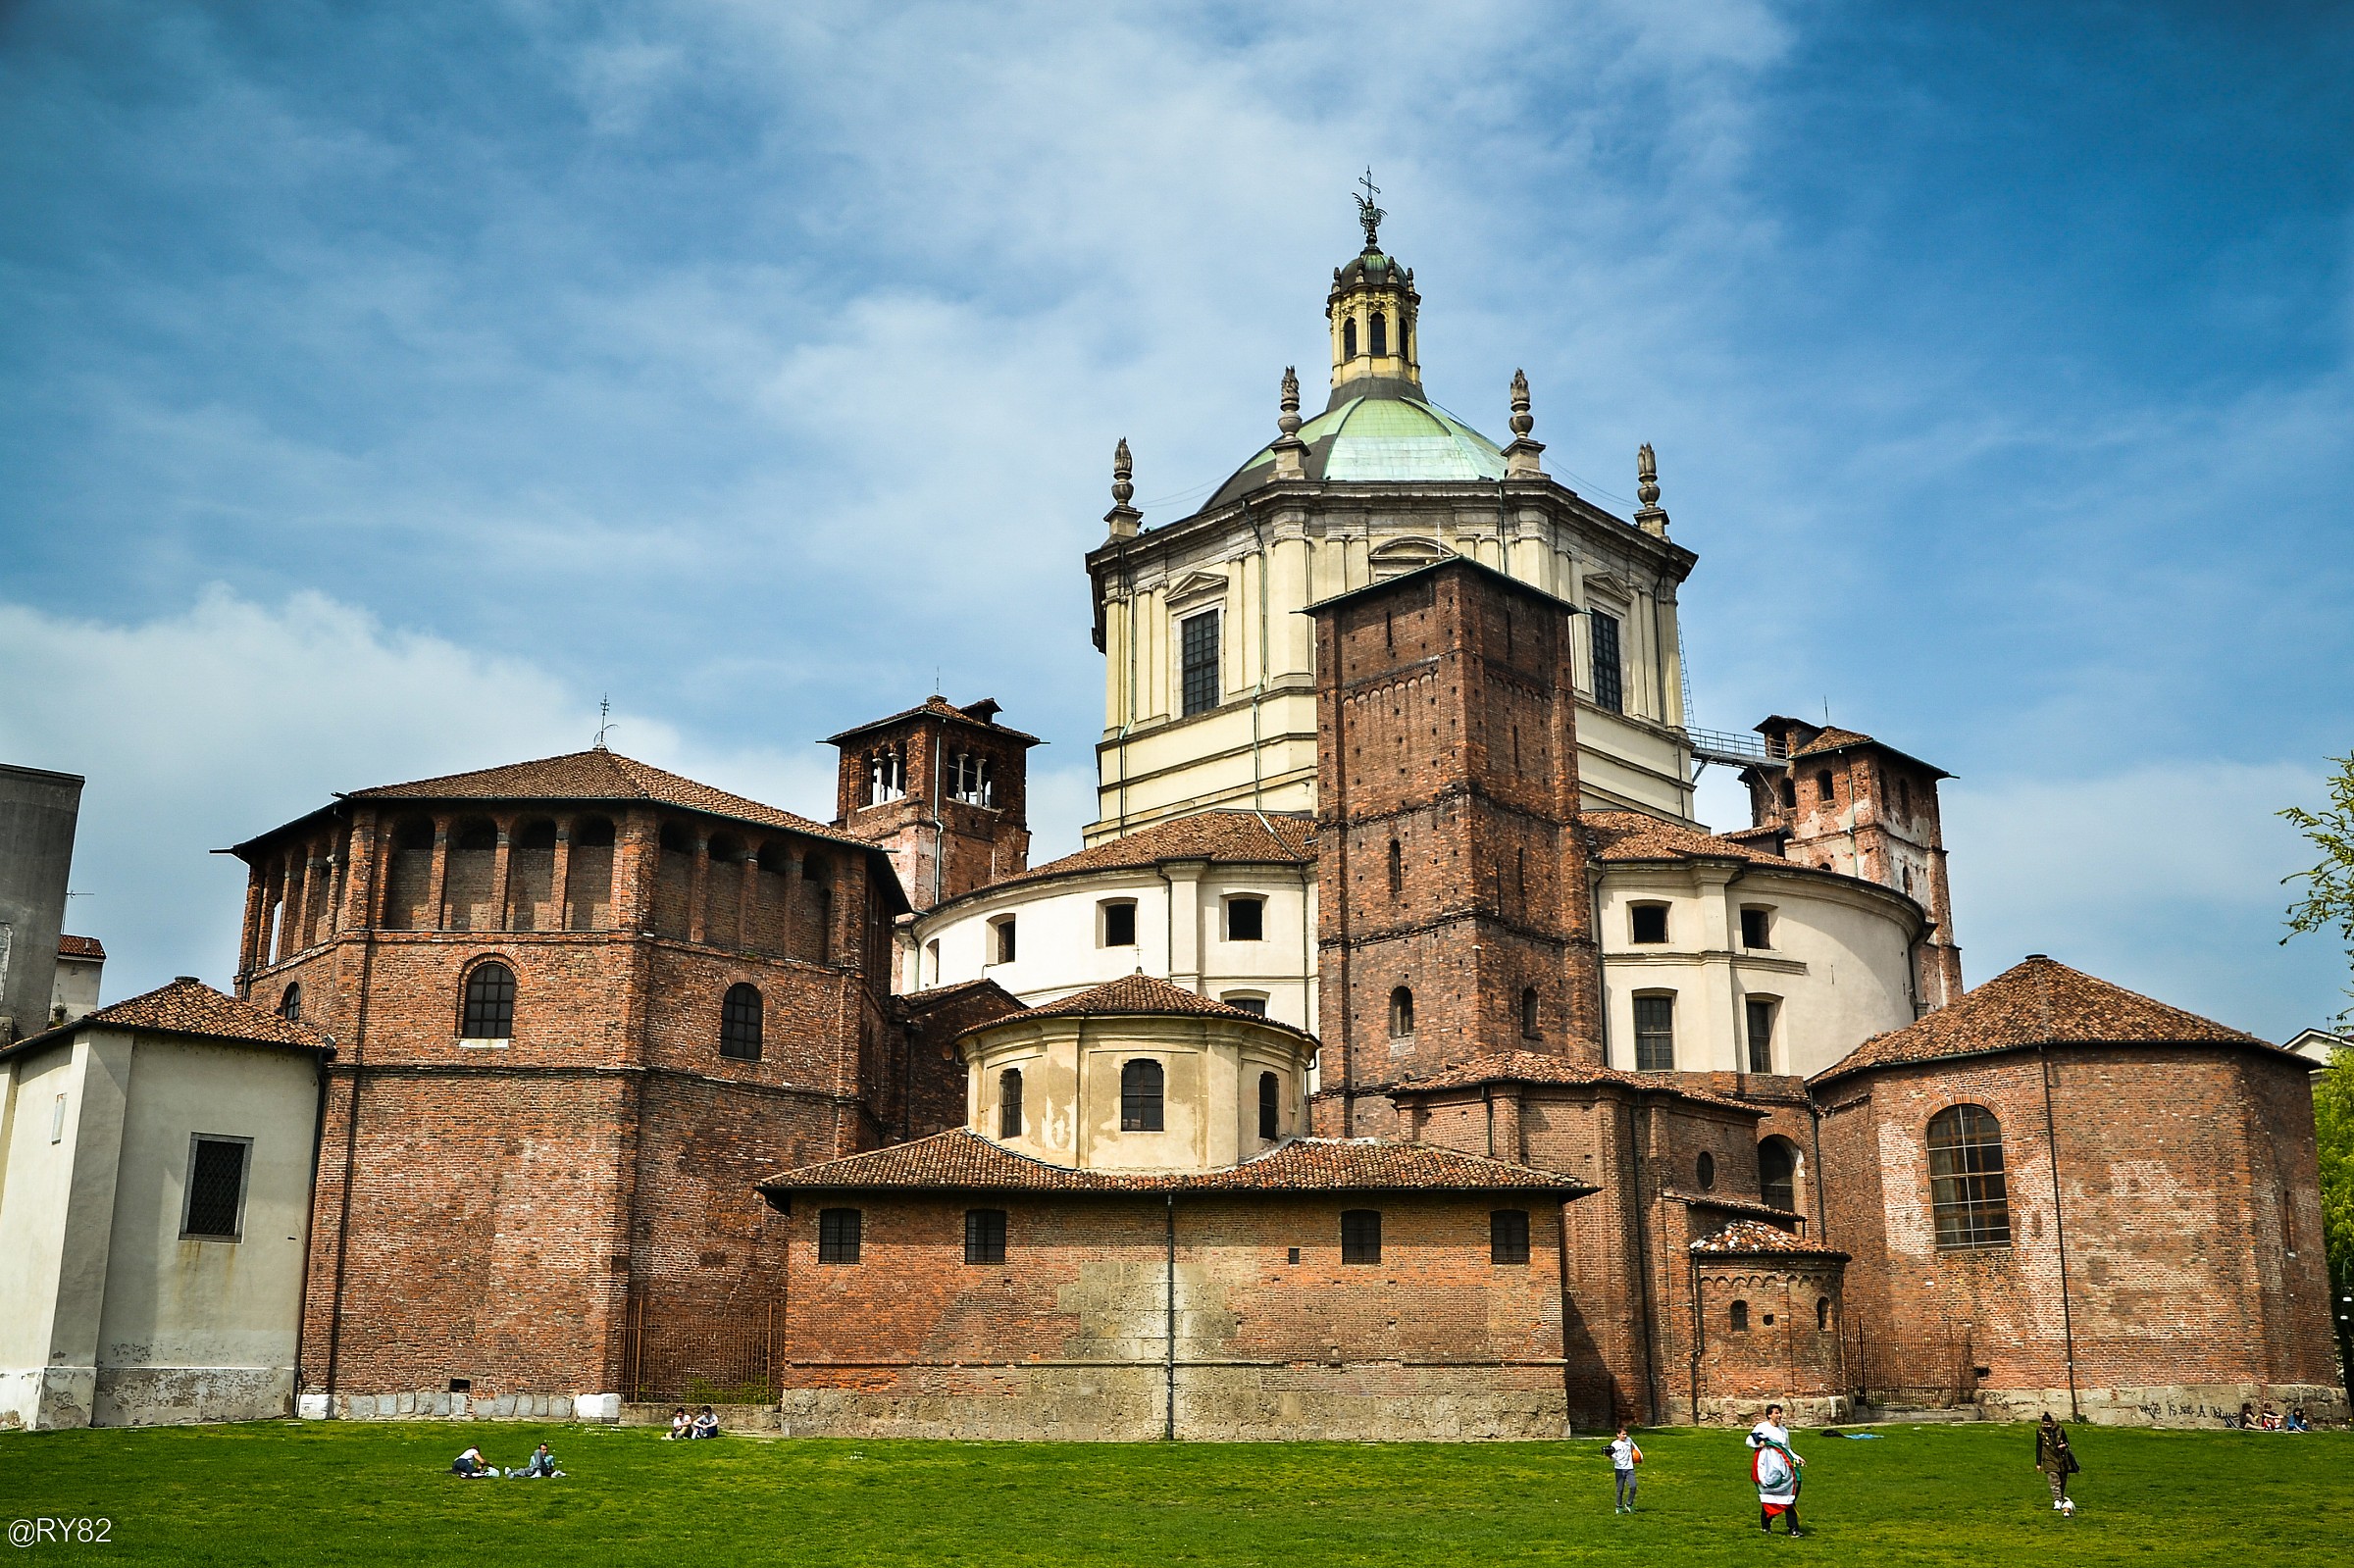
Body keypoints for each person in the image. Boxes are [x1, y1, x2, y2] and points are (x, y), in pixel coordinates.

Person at [1746, 1404, 1807, 1536]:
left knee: (1789, 1497)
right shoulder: (1762, 1427)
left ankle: (1793, 1528)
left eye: (1780, 1413)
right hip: (1768, 1467)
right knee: (1769, 1496)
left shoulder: (1783, 1430)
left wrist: (1797, 1458)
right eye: (1776, 1413)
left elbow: (1787, 1449)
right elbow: (1749, 1441)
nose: (1779, 1416)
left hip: (1783, 1467)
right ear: (1769, 1415)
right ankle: (1765, 1525)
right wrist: (1759, 1443)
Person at [2035, 1413, 2078, 1516]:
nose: (2046, 1426)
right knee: (2054, 1481)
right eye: (2044, 1424)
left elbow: (2067, 1442)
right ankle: (2057, 1501)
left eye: (2048, 1424)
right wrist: (2038, 1463)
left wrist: (2063, 1445)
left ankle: (2061, 1498)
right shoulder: (2040, 1432)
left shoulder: (2060, 1429)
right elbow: (2038, 1447)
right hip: (2049, 1459)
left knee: (2062, 1481)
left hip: (2062, 1459)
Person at [1609, 1426, 1644, 1514]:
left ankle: (1629, 1504)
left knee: (1633, 1486)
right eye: (1623, 1434)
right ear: (1618, 1435)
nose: (1625, 1436)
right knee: (1620, 1489)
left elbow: (1634, 1447)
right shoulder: (1614, 1444)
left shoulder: (1629, 1440)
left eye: (1626, 1434)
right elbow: (1613, 1458)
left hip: (1629, 1468)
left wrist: (1640, 1456)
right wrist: (1610, 1456)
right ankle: (1618, 1506)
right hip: (1619, 1469)